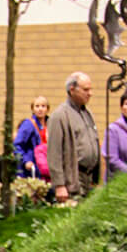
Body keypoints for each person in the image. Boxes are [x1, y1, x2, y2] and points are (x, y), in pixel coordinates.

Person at [47, 71, 100, 202]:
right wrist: (59, 185)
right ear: (72, 90)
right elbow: (54, 153)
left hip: (89, 179)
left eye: (90, 89)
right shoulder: (59, 116)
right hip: (73, 180)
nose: (90, 93)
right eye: (86, 90)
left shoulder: (87, 114)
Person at [13, 96, 50, 179]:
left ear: (47, 109)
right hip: (32, 168)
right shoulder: (28, 124)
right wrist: (25, 161)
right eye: (37, 106)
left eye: (43, 106)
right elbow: (17, 145)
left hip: (46, 167)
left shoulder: (51, 124)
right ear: (32, 109)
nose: (40, 109)